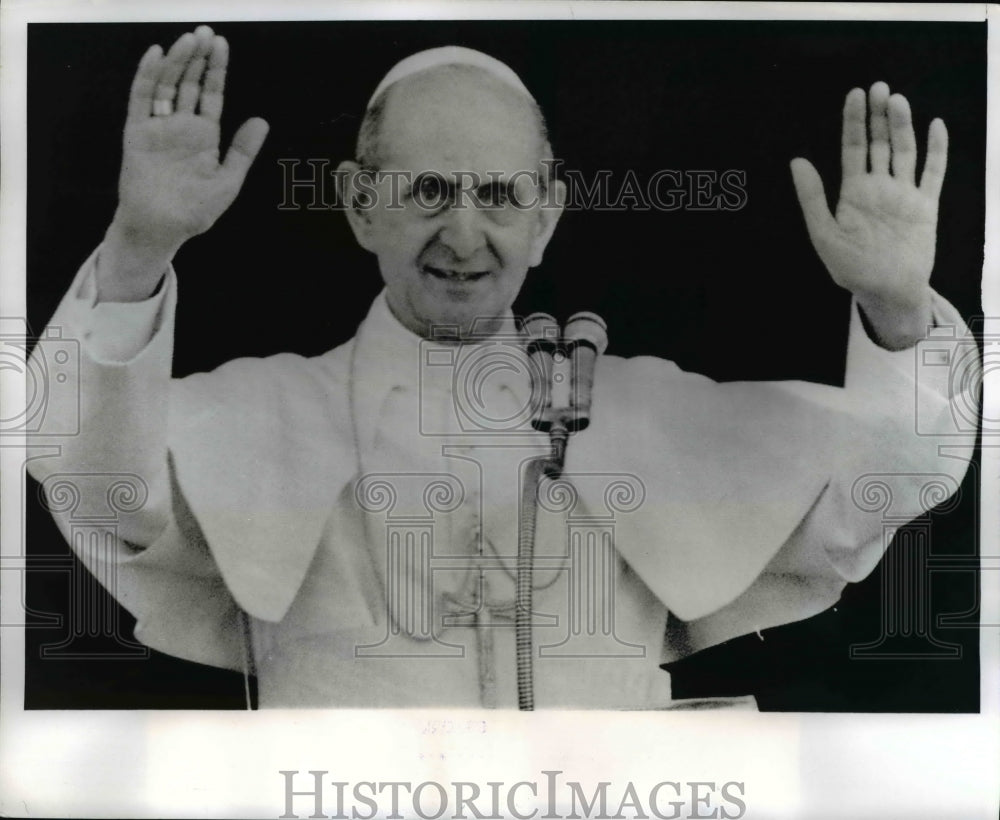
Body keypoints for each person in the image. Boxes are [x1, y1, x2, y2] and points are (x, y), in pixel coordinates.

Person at [28, 25, 978, 708]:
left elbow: (888, 485)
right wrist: (138, 249)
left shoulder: (642, 407)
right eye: (428, 191)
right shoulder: (265, 406)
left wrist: (896, 304)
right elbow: (90, 475)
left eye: (498, 195)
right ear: (361, 206)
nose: (464, 233)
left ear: (547, 216)